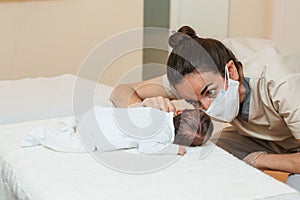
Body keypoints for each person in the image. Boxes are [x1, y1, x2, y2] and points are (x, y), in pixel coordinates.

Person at [110, 26, 300, 190]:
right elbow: (121, 91)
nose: (207, 108)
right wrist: (141, 107)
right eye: (194, 102)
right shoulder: (195, 72)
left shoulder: (282, 83)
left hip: (292, 141)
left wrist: (260, 160)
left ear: (231, 72)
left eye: (209, 92)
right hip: (270, 138)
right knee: (200, 156)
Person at [78, 106, 213, 155]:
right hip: (99, 134)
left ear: (180, 111)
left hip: (97, 114)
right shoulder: (163, 135)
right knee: (72, 142)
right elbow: (146, 148)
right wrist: (176, 149)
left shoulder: (157, 113)